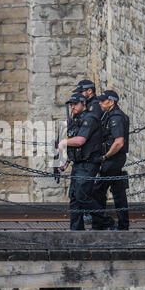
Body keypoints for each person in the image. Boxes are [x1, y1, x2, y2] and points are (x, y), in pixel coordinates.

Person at [58, 93, 116, 230]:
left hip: (89, 163)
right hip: (79, 163)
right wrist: (66, 160)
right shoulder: (77, 120)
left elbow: (80, 141)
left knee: (82, 196)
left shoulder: (89, 119)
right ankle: (76, 230)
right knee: (74, 197)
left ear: (83, 104)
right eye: (71, 104)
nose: (72, 107)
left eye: (75, 104)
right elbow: (74, 143)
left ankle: (107, 222)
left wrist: (63, 143)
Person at [93, 90, 130, 230]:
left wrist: (105, 156)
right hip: (114, 159)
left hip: (113, 159)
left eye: (103, 101)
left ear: (112, 102)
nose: (100, 103)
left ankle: (102, 222)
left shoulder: (116, 118)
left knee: (98, 191)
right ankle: (122, 224)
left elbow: (119, 142)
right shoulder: (109, 115)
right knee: (118, 192)